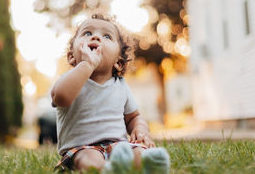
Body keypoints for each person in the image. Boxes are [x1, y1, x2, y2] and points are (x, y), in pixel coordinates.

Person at [51, 13, 170, 173]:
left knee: (133, 150)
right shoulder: (70, 80)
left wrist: (140, 129)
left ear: (118, 62)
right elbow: (62, 98)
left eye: (106, 36)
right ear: (72, 57)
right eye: (87, 33)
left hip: (118, 145)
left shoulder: (120, 86)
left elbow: (133, 117)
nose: (95, 37)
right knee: (89, 157)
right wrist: (87, 64)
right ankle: (104, 170)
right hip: (81, 148)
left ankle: (145, 163)